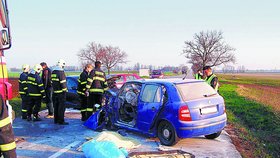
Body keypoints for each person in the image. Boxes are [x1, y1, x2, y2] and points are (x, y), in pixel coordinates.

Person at [51, 59, 68, 125]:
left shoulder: (53, 72)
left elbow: (52, 82)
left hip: (55, 92)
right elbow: (63, 83)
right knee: (61, 107)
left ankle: (56, 120)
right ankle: (61, 121)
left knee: (56, 107)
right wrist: (65, 90)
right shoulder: (61, 72)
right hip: (61, 93)